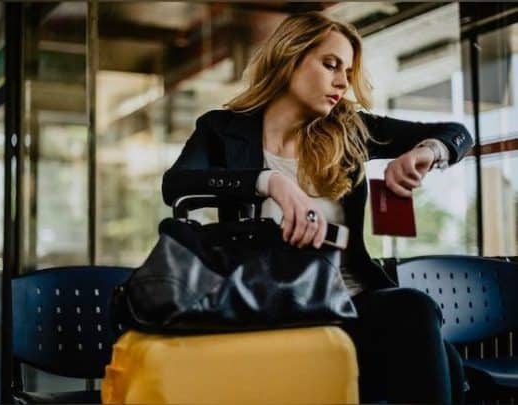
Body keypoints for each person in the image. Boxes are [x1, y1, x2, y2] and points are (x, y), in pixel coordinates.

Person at [162, 11, 473, 404]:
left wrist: (426, 152)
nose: (342, 82)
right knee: (435, 352)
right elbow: (177, 184)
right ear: (290, 58)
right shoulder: (222, 130)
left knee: (416, 313)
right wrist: (268, 182)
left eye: (348, 71)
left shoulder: (350, 131)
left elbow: (457, 134)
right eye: (331, 65)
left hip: (350, 305)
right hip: (269, 308)